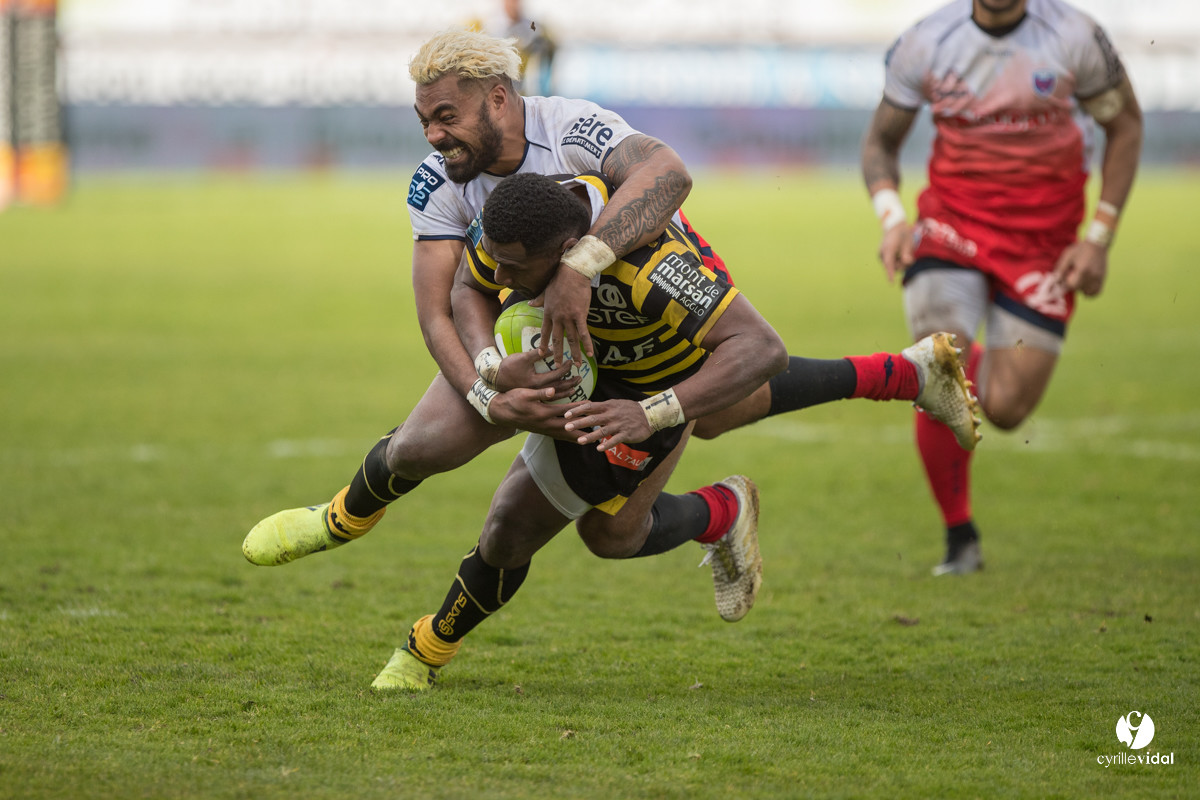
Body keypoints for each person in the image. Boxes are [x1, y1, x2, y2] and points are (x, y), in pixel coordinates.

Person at [241, 30, 979, 582]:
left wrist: (581, 267)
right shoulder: (435, 182)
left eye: (446, 116)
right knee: (421, 445)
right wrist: (486, 381)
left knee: (683, 447)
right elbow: (441, 309)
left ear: (498, 98)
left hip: (649, 302)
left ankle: (884, 390)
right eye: (423, 119)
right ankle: (341, 519)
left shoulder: (570, 127)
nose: (434, 136)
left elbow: (668, 174)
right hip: (528, 338)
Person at [860, 0, 1143, 575]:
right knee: (941, 362)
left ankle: (962, 368)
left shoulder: (1074, 36)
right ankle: (959, 535)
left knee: (1009, 407)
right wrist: (893, 218)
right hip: (951, 229)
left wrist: (1099, 238)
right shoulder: (925, 41)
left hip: (1043, 244)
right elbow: (879, 145)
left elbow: (1125, 124)